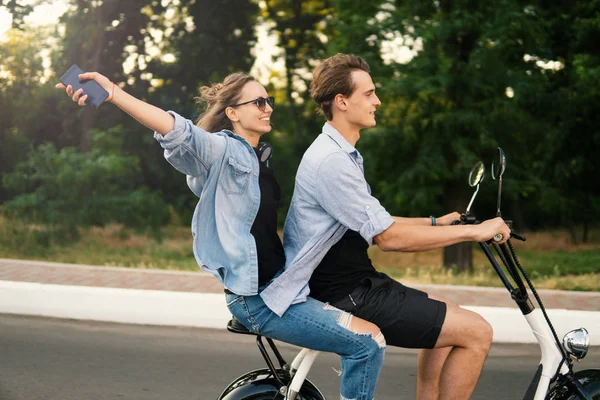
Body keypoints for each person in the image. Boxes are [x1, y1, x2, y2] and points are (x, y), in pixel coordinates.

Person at [56, 70, 385, 400]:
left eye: (268, 100)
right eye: (258, 102)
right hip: (258, 299)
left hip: (280, 287)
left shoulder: (260, 158)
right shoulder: (223, 151)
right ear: (233, 113)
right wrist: (113, 93)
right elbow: (174, 128)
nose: (267, 107)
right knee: (366, 345)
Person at [270, 54, 512, 400]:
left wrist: (435, 222)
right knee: (476, 332)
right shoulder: (332, 162)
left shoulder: (342, 153)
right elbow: (389, 238)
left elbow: (376, 220)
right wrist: (475, 231)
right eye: (368, 94)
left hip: (356, 282)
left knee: (448, 316)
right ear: (342, 102)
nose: (377, 101)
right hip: (346, 294)